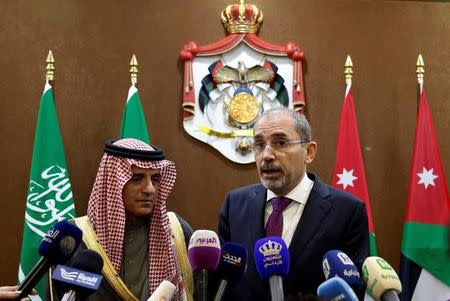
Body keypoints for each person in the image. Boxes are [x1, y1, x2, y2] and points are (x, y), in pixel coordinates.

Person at [217, 107, 369, 300]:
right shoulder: (235, 204)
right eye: (259, 145)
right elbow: (225, 284)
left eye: (280, 142)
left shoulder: (347, 211)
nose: (267, 155)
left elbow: (352, 291)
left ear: (309, 152)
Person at [49, 138, 194, 301]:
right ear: (113, 182)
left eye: (155, 179)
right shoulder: (76, 237)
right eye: (136, 179)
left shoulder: (178, 232)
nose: (149, 189)